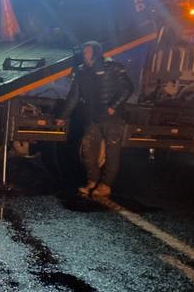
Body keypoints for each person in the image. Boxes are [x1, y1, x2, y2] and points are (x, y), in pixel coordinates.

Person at [56, 41, 135, 196]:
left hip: (112, 118)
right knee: (88, 151)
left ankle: (105, 185)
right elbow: (74, 96)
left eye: (87, 52)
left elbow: (128, 88)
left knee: (112, 153)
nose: (84, 54)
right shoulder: (81, 71)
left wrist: (113, 106)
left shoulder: (113, 68)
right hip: (92, 116)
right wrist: (62, 116)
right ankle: (92, 181)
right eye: (84, 52)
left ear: (96, 53)